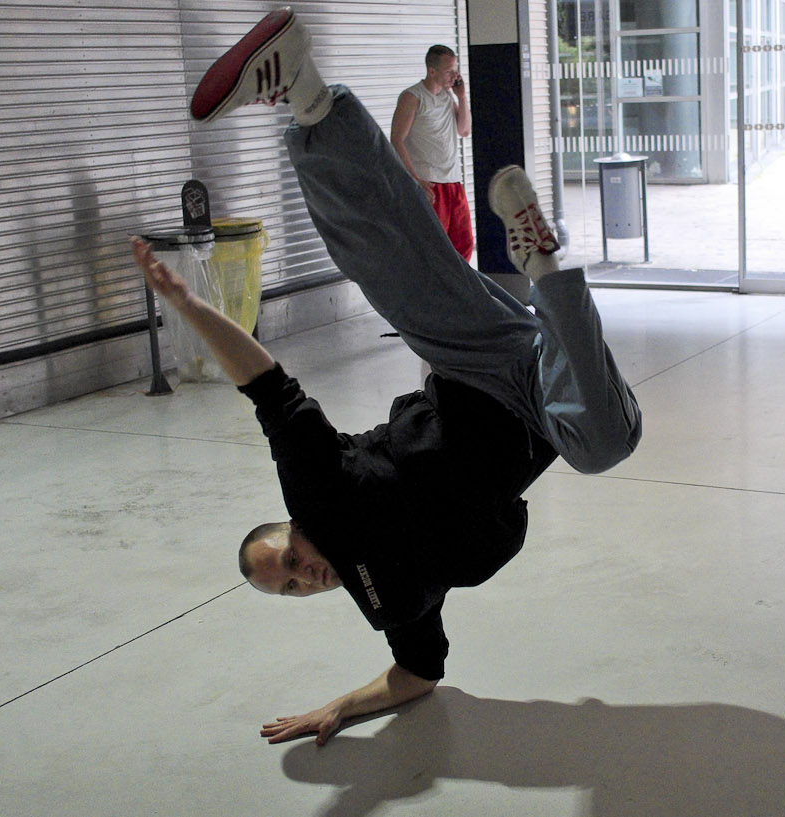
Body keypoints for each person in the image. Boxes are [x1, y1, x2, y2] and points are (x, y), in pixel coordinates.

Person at [154, 7, 642, 746]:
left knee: (383, 257)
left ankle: (301, 88)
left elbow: (267, 386)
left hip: (471, 368)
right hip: (546, 413)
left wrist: (192, 305)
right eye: (287, 585)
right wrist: (340, 708)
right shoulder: (386, 604)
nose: (300, 575)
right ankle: (548, 267)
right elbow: (419, 676)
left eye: (287, 559)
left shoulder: (317, 488)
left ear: (292, 529)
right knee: (604, 444)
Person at [391, 45, 475, 260]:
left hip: (453, 181)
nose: (454, 75)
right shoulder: (413, 97)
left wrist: (462, 97)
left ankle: (458, 290)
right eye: (449, 71)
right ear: (432, 71)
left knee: (464, 243)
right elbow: (397, 140)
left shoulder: (448, 96)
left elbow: (464, 130)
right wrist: (414, 178)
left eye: (455, 70)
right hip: (430, 181)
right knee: (435, 247)